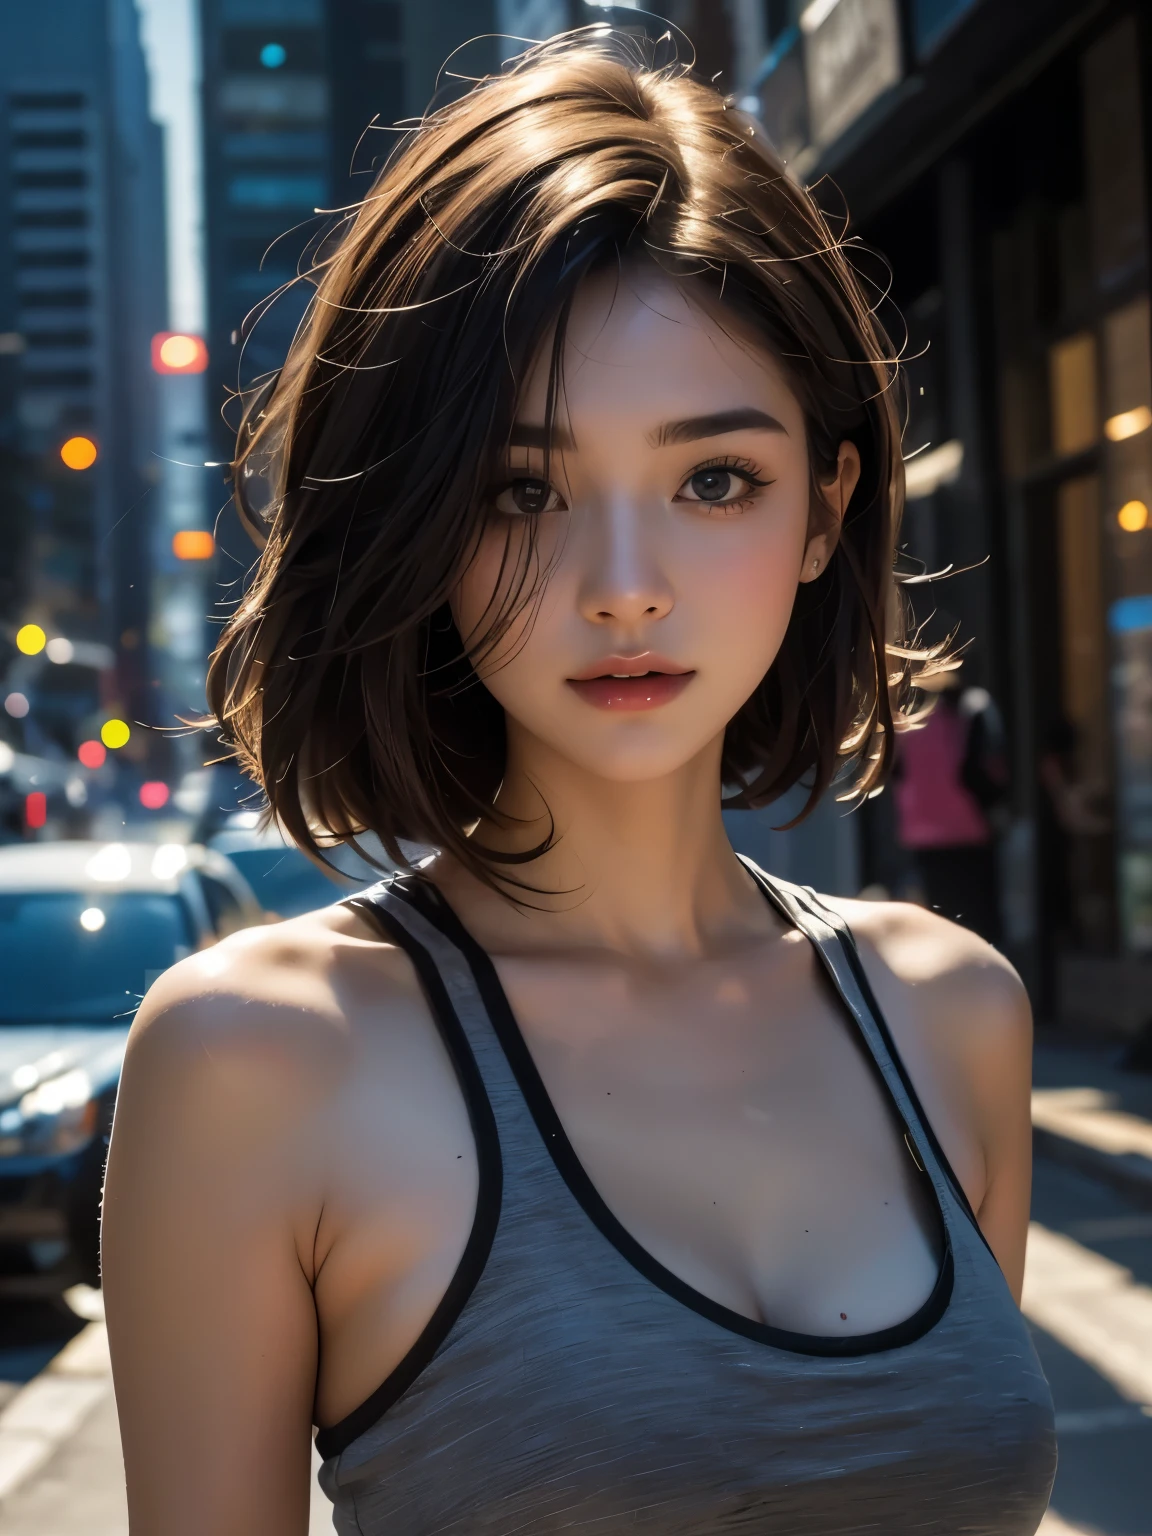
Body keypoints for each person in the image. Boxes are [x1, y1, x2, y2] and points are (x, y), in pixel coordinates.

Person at [100, 28, 1056, 1536]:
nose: (624, 588)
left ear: (827, 507)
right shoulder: (258, 1059)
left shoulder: (955, 1014)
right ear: (416, 518)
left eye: (714, 481)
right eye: (522, 490)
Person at [893, 667, 1008, 944]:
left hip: (922, 834)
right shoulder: (972, 709)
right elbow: (976, 773)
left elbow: (897, 774)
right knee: (978, 928)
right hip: (968, 832)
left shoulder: (906, 721)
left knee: (939, 925)